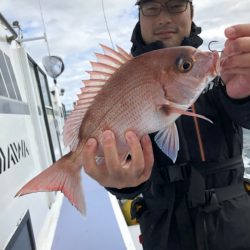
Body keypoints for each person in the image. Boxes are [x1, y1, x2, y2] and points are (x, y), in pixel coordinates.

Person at [82, 0, 250, 249]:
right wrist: (124, 183)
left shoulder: (225, 76)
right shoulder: (121, 79)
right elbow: (118, 163)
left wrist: (245, 96)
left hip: (236, 230)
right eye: (151, 7)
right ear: (139, 14)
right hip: (164, 233)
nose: (163, 18)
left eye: (175, 5)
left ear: (191, 10)